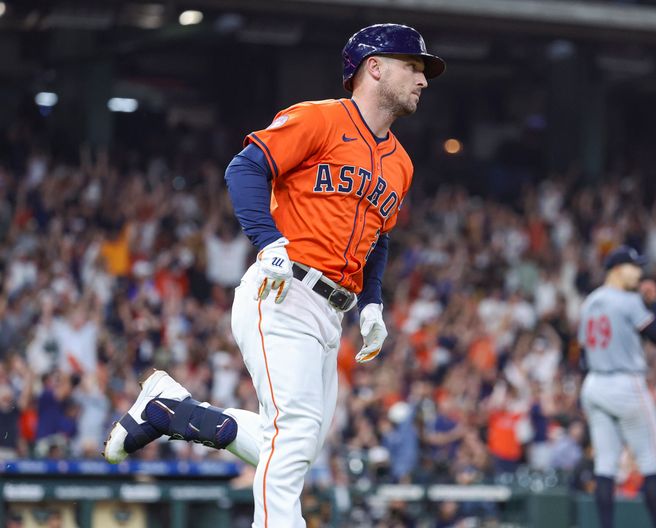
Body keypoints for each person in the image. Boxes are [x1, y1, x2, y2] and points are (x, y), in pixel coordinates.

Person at [103, 23, 444, 527]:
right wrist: (268, 242)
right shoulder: (319, 119)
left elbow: (379, 234)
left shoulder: (402, 163)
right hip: (285, 291)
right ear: (374, 67)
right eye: (413, 67)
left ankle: (172, 410)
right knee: (295, 437)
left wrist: (372, 301)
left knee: (294, 445)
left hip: (334, 310)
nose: (423, 80)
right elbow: (245, 168)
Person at [578, 246, 656, 528]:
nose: (639, 273)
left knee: (605, 465)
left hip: (594, 383)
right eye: (634, 267)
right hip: (625, 383)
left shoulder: (589, 302)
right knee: (651, 463)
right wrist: (654, 303)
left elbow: (582, 354)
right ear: (617, 270)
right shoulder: (629, 301)